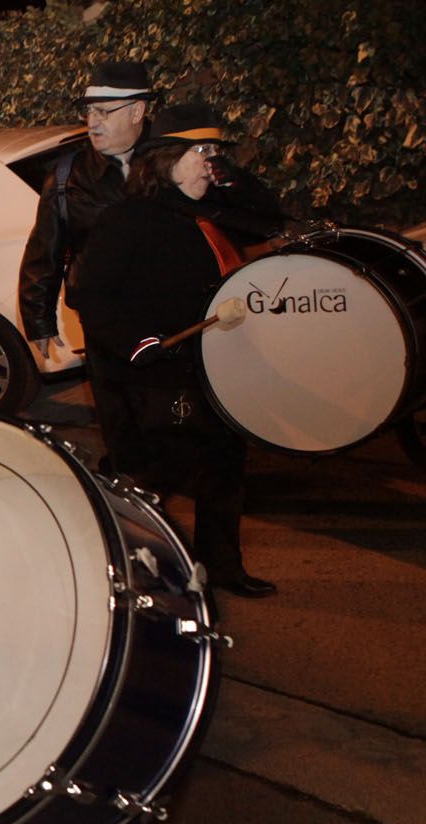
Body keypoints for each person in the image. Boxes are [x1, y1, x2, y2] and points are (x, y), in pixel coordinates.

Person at [73, 101, 282, 598]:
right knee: (156, 477)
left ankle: (224, 570)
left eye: (214, 151)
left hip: (208, 368)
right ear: (166, 159)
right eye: (200, 151)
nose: (210, 161)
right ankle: (125, 571)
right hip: (148, 375)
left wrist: (231, 176)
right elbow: (92, 295)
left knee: (224, 468)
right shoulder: (130, 219)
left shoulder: (209, 212)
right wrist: (138, 343)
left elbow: (269, 221)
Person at [18, 60, 158, 471]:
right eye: (89, 112)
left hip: (169, 321)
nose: (92, 123)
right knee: (120, 423)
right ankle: (134, 498)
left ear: (137, 112)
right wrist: (38, 322)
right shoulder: (68, 178)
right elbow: (43, 252)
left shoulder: (171, 163)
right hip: (105, 327)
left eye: (103, 112)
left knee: (169, 420)